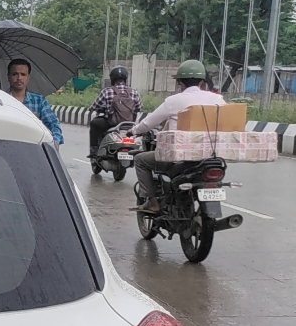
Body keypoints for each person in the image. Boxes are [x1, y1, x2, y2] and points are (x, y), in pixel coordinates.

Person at [131, 59, 224, 215]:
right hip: (210, 157)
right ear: (201, 81)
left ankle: (152, 202)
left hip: (180, 158)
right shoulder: (217, 100)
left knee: (140, 160)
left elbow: (148, 123)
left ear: (180, 82)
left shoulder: (173, 101)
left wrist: (133, 131)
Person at [6, 57, 63, 145]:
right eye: (15, 74)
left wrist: (55, 141)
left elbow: (53, 124)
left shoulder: (39, 101)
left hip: (34, 148)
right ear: (8, 76)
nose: (19, 78)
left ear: (28, 77)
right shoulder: (0, 99)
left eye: (23, 74)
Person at [89, 66, 141, 156]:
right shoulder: (134, 92)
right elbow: (139, 107)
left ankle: (94, 149)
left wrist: (92, 108)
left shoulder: (107, 91)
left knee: (94, 123)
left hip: (111, 123)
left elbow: (95, 106)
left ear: (112, 79)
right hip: (129, 124)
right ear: (125, 79)